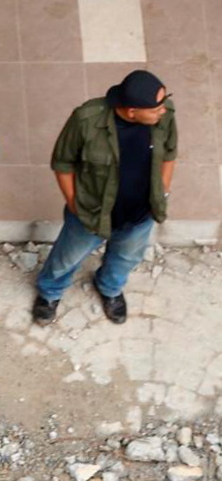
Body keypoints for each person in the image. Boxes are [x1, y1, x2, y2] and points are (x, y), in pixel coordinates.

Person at [33, 70, 175, 325]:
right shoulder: (87, 120)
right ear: (132, 111)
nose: (163, 111)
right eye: (156, 109)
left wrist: (162, 191)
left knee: (127, 257)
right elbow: (63, 163)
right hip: (91, 213)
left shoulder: (164, 115)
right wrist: (74, 202)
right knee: (67, 257)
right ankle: (50, 293)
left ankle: (110, 289)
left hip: (140, 214)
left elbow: (170, 153)